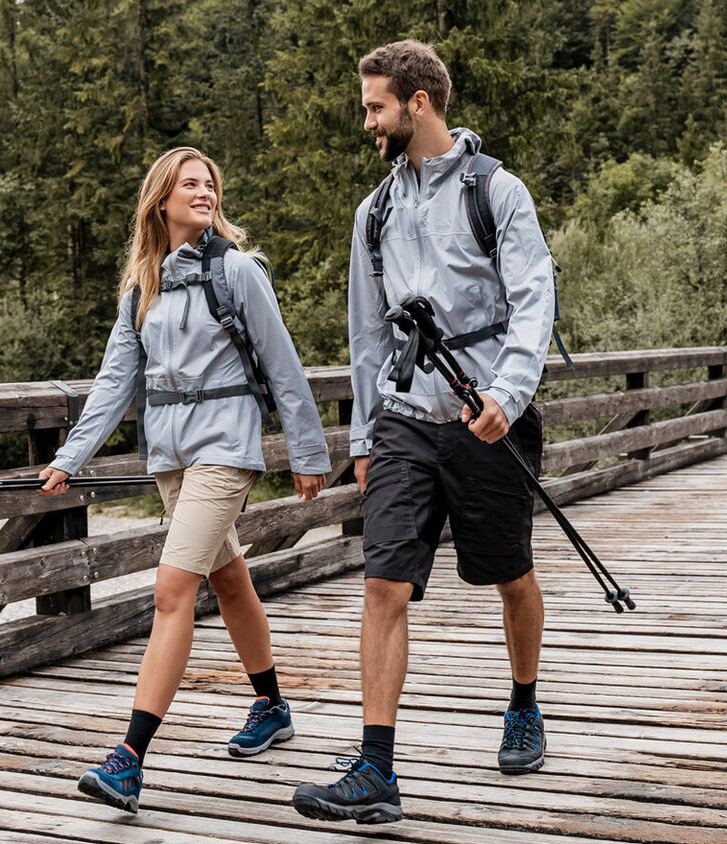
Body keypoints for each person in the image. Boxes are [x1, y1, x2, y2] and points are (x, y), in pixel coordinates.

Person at [292, 40, 555, 825]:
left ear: (418, 103)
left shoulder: (497, 192)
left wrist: (509, 391)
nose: (367, 121)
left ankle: (524, 702)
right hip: (405, 418)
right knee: (383, 583)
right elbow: (366, 333)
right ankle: (376, 768)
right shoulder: (373, 214)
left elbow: (534, 297)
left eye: (375, 106)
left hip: (485, 418)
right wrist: (364, 438)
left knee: (509, 575)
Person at [38, 146, 331, 815]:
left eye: (210, 185)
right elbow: (116, 383)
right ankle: (272, 704)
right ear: (161, 199)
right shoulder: (143, 286)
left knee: (173, 591)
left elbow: (282, 362)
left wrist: (308, 452)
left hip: (225, 448)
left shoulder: (238, 271)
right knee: (228, 578)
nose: (203, 192)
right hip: (170, 455)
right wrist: (71, 457)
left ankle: (128, 761)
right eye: (189, 183)